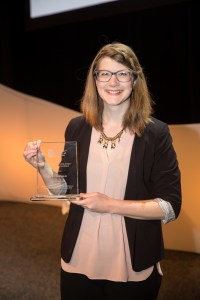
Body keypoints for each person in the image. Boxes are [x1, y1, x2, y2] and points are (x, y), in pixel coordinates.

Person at [23, 42, 182, 300]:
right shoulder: (77, 127)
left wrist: (110, 204)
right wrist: (42, 167)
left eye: (122, 73)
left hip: (132, 263)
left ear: (134, 79)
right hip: (79, 258)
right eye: (105, 73)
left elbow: (170, 207)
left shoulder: (156, 133)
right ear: (95, 80)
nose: (113, 81)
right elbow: (65, 190)